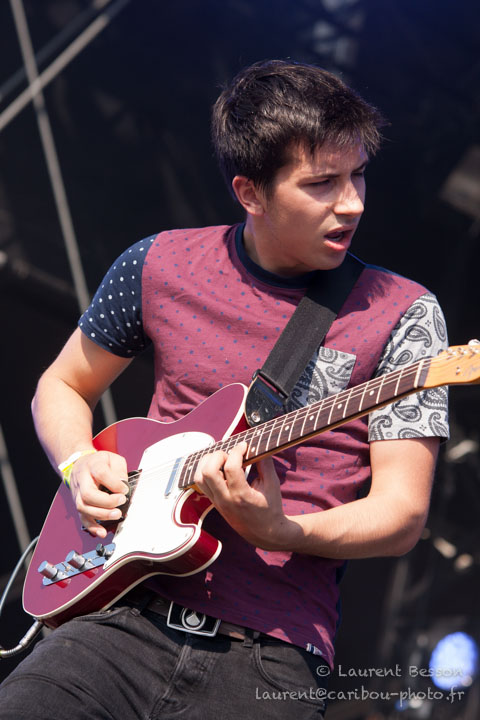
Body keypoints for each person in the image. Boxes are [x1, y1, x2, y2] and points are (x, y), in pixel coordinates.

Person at [0, 60, 448, 719]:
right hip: (116, 616)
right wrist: (77, 461)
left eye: (358, 175)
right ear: (250, 192)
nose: (352, 203)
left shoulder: (404, 313)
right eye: (322, 183)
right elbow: (62, 384)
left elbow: (402, 514)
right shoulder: (158, 263)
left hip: (272, 652)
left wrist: (282, 529)